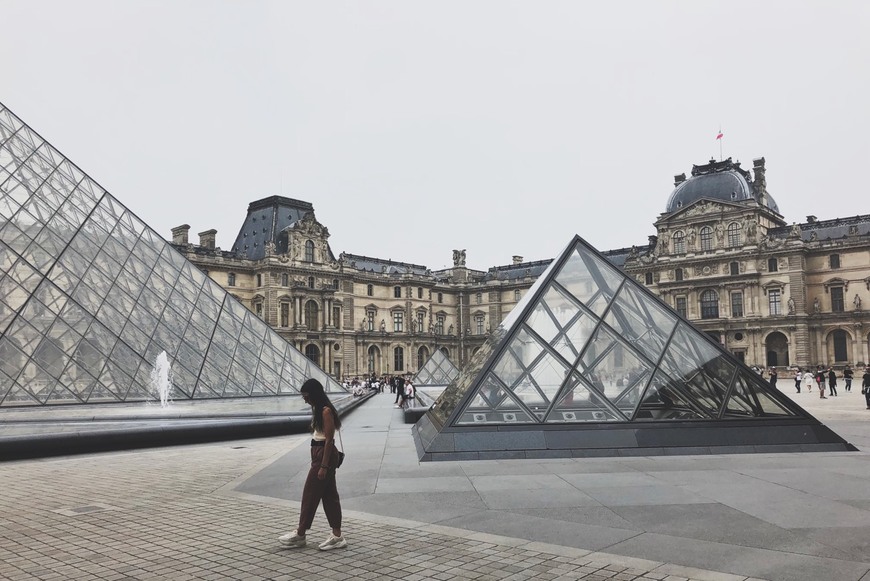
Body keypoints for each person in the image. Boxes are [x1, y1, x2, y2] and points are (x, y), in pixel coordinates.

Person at [278, 379, 347, 551]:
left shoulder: (325, 411)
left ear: (314, 394)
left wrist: (323, 466)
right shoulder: (318, 409)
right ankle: (337, 536)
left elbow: (329, 440)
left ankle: (300, 533)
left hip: (324, 454)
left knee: (310, 494)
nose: (304, 399)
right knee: (330, 496)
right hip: (320, 452)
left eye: (306, 396)